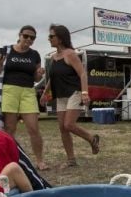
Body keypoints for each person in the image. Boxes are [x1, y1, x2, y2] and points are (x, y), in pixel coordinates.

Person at [40, 24, 99, 167]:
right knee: (62, 128)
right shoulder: (54, 58)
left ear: (60, 38)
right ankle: (71, 160)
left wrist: (85, 93)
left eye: (51, 36)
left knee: (69, 124)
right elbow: (52, 78)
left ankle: (92, 139)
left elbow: (82, 74)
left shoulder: (70, 54)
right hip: (61, 95)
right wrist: (44, 93)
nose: (49, 39)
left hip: (75, 92)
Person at [0, 25, 47, 170]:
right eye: (26, 36)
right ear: (20, 35)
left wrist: (39, 74)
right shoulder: (5, 50)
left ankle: (40, 161)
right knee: (10, 128)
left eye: (32, 38)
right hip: (10, 90)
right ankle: (9, 161)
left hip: (28, 91)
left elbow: (35, 78)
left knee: (33, 128)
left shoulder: (35, 55)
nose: (29, 39)